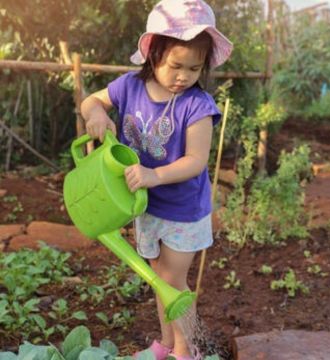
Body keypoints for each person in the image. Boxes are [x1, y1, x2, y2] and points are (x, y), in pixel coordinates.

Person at [81, 0, 232, 358]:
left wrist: (153, 174)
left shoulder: (197, 105)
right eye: (176, 66)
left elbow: (195, 161)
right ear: (154, 55)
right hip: (144, 205)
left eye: (194, 69)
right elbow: (91, 101)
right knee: (157, 281)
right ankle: (166, 344)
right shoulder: (129, 87)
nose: (184, 76)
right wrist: (97, 115)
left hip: (183, 210)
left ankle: (184, 350)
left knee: (172, 282)